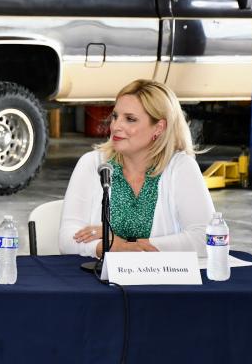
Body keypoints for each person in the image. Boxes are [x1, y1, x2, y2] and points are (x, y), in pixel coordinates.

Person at [58, 79, 215, 258]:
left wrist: (122, 245)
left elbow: (206, 238)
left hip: (162, 276)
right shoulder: (92, 163)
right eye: (115, 116)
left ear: (159, 128)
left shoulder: (181, 166)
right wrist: (112, 246)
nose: (115, 126)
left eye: (130, 119)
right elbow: (67, 240)